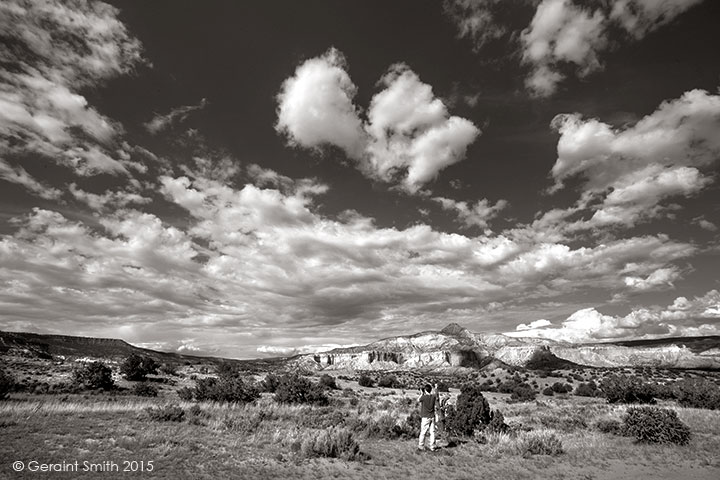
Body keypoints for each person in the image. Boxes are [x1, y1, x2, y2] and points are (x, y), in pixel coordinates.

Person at [417, 383, 437, 451]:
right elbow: (434, 393)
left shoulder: (423, 397)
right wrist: (435, 387)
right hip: (432, 416)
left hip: (425, 417)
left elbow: (418, 400)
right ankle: (432, 447)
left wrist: (421, 393)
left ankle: (421, 446)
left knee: (423, 432)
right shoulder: (433, 397)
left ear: (425, 390)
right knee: (432, 432)